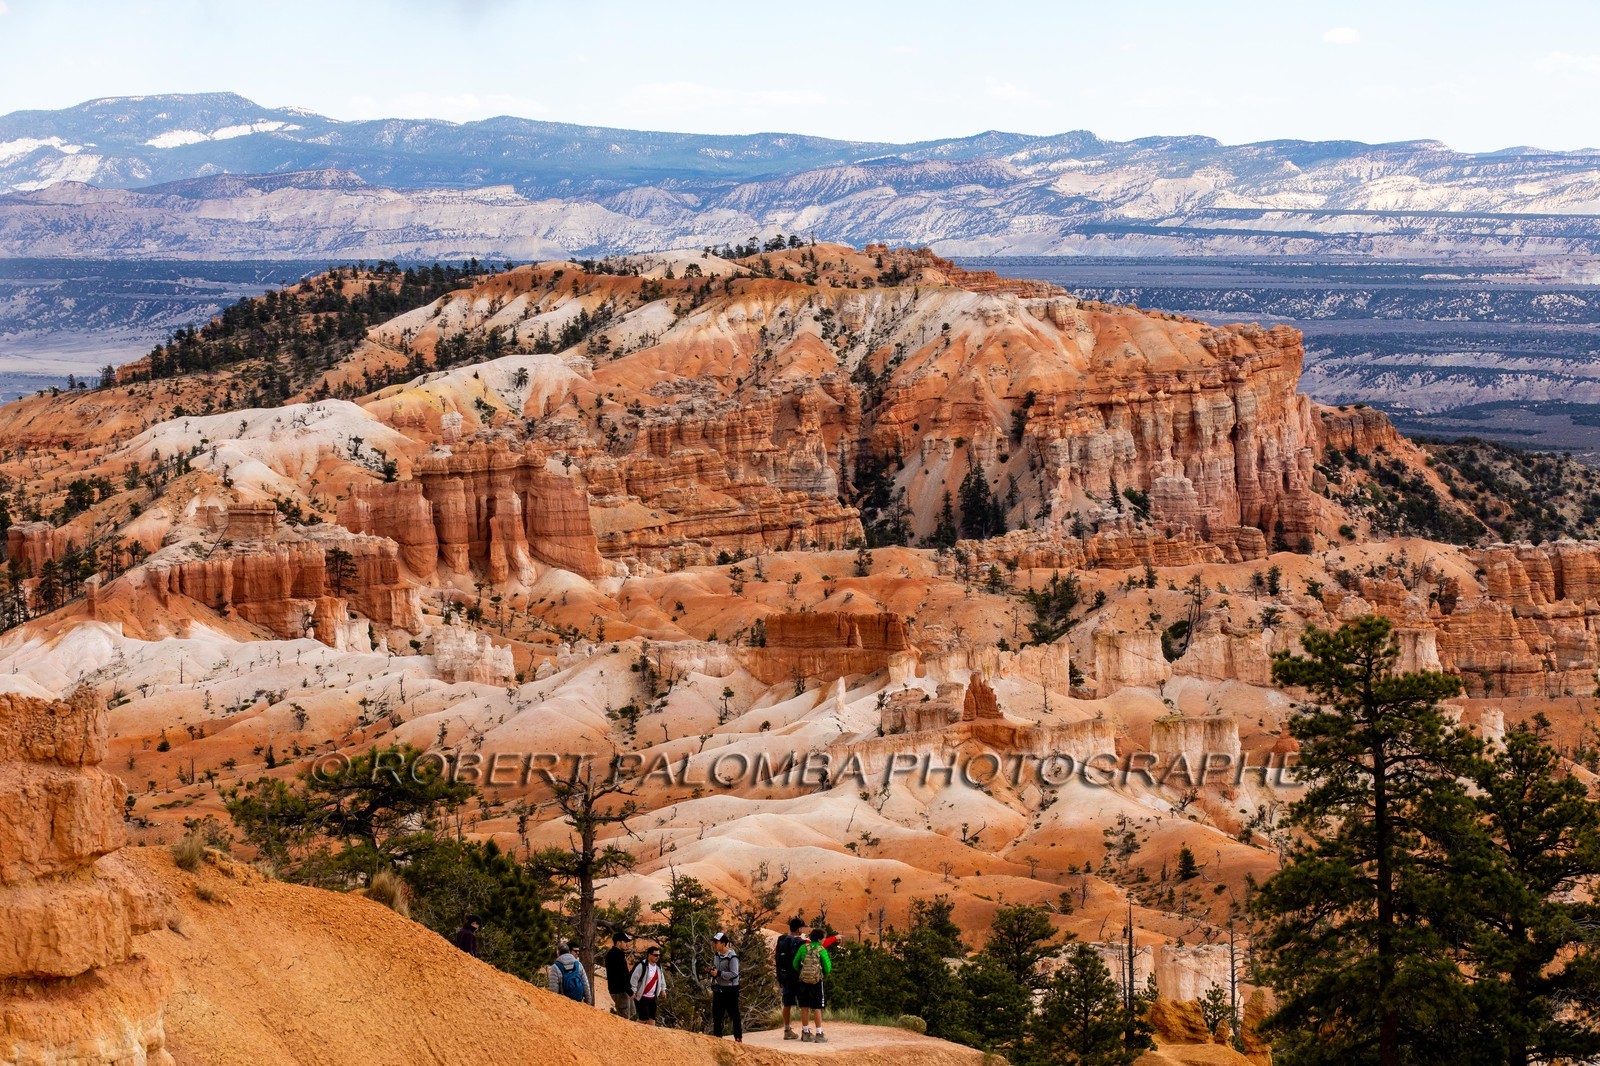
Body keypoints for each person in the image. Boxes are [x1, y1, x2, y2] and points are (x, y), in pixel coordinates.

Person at [791, 928, 832, 1043]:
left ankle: (805, 1033)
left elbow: (795, 963)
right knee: (817, 1007)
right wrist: (820, 974)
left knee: (804, 1007)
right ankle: (819, 1033)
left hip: (803, 981)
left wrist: (802, 973)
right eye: (823, 938)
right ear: (819, 939)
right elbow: (828, 967)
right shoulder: (821, 950)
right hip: (816, 982)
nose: (824, 940)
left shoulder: (803, 948)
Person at [774, 917, 806, 1039]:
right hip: (797, 977)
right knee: (804, 1004)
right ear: (799, 929)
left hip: (785, 976)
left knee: (787, 1004)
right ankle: (805, 1031)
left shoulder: (782, 940)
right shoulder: (800, 942)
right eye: (802, 927)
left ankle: (787, 1030)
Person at [709, 931, 743, 1042]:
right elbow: (717, 968)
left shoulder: (732, 957)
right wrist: (712, 972)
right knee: (717, 1015)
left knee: (734, 1014)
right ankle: (718, 1039)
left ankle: (738, 1038)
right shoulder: (716, 955)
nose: (714, 944)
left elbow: (734, 974)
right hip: (719, 988)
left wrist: (719, 974)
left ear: (723, 943)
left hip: (731, 989)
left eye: (716, 942)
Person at [630, 945, 666, 1025]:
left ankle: (649, 1036)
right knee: (643, 1017)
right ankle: (633, 1031)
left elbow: (661, 979)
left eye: (659, 955)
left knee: (652, 1019)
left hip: (652, 998)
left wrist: (663, 990)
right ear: (649, 955)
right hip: (642, 997)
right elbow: (634, 979)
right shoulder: (642, 966)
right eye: (656, 955)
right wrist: (634, 991)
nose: (658, 957)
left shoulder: (658, 967)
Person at [605, 930, 634, 1018]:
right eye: (625, 941)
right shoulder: (614, 956)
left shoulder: (619, 954)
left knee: (631, 1013)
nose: (627, 944)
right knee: (624, 1017)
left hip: (623, 990)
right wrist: (630, 991)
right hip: (619, 991)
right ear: (618, 942)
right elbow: (620, 977)